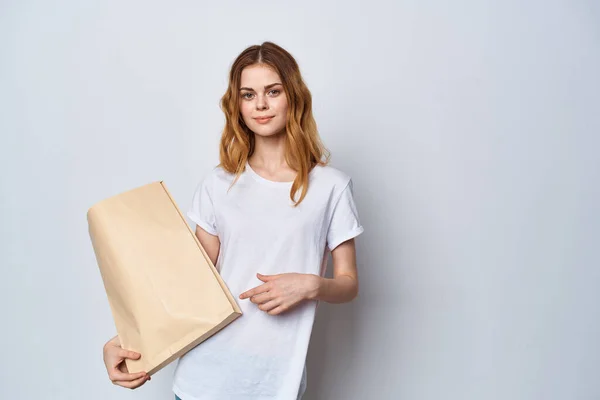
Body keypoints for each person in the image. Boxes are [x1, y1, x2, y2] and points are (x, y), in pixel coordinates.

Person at [102, 41, 364, 400]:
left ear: (294, 96)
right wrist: (124, 340)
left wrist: (310, 285)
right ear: (236, 104)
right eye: (248, 94)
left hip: (277, 382)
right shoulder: (218, 183)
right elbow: (189, 286)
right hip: (203, 380)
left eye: (273, 91)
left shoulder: (331, 186)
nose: (260, 104)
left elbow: (348, 283)